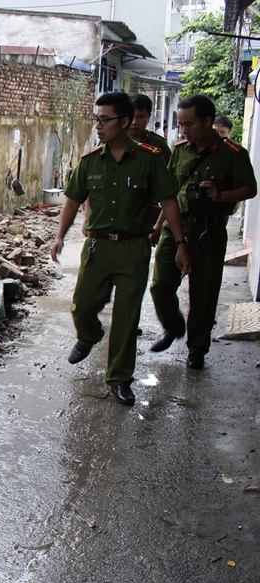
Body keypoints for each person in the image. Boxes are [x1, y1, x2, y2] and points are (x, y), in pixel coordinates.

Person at [50, 92, 189, 406]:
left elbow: (169, 200)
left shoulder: (150, 159)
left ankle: (120, 379)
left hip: (133, 249)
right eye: (96, 119)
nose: (98, 126)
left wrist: (181, 243)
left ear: (125, 122)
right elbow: (72, 200)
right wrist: (60, 236)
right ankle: (89, 336)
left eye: (105, 119)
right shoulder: (89, 162)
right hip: (98, 247)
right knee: (82, 307)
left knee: (127, 318)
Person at [149, 94, 257, 369]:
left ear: (208, 122)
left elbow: (250, 188)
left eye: (189, 124)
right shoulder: (180, 150)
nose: (184, 129)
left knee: (203, 292)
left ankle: (197, 348)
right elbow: (169, 194)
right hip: (176, 227)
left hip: (208, 230)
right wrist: (157, 226)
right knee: (160, 284)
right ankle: (173, 326)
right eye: (181, 124)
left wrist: (222, 195)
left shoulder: (233, 154)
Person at [129, 93, 172, 163]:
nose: (135, 122)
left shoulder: (159, 144)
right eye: (131, 116)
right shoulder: (113, 142)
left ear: (148, 117)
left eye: (141, 117)